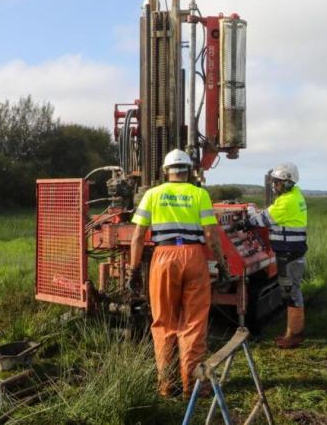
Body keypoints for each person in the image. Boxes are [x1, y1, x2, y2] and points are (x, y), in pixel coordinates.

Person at [129, 149, 229, 397]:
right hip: (194, 257)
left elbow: (138, 236)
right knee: (194, 322)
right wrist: (222, 265)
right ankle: (192, 387)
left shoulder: (152, 194)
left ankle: (166, 385)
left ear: (165, 171)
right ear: (189, 171)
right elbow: (211, 235)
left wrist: (133, 270)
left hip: (163, 257)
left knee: (163, 322)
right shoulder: (200, 194)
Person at [242, 162, 308, 348]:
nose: (275, 186)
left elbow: (262, 220)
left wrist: (249, 216)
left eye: (278, 183)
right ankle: (292, 332)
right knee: (291, 290)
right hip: (292, 250)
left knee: (290, 291)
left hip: (288, 252)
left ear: (287, 183)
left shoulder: (287, 201)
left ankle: (294, 335)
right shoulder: (295, 194)